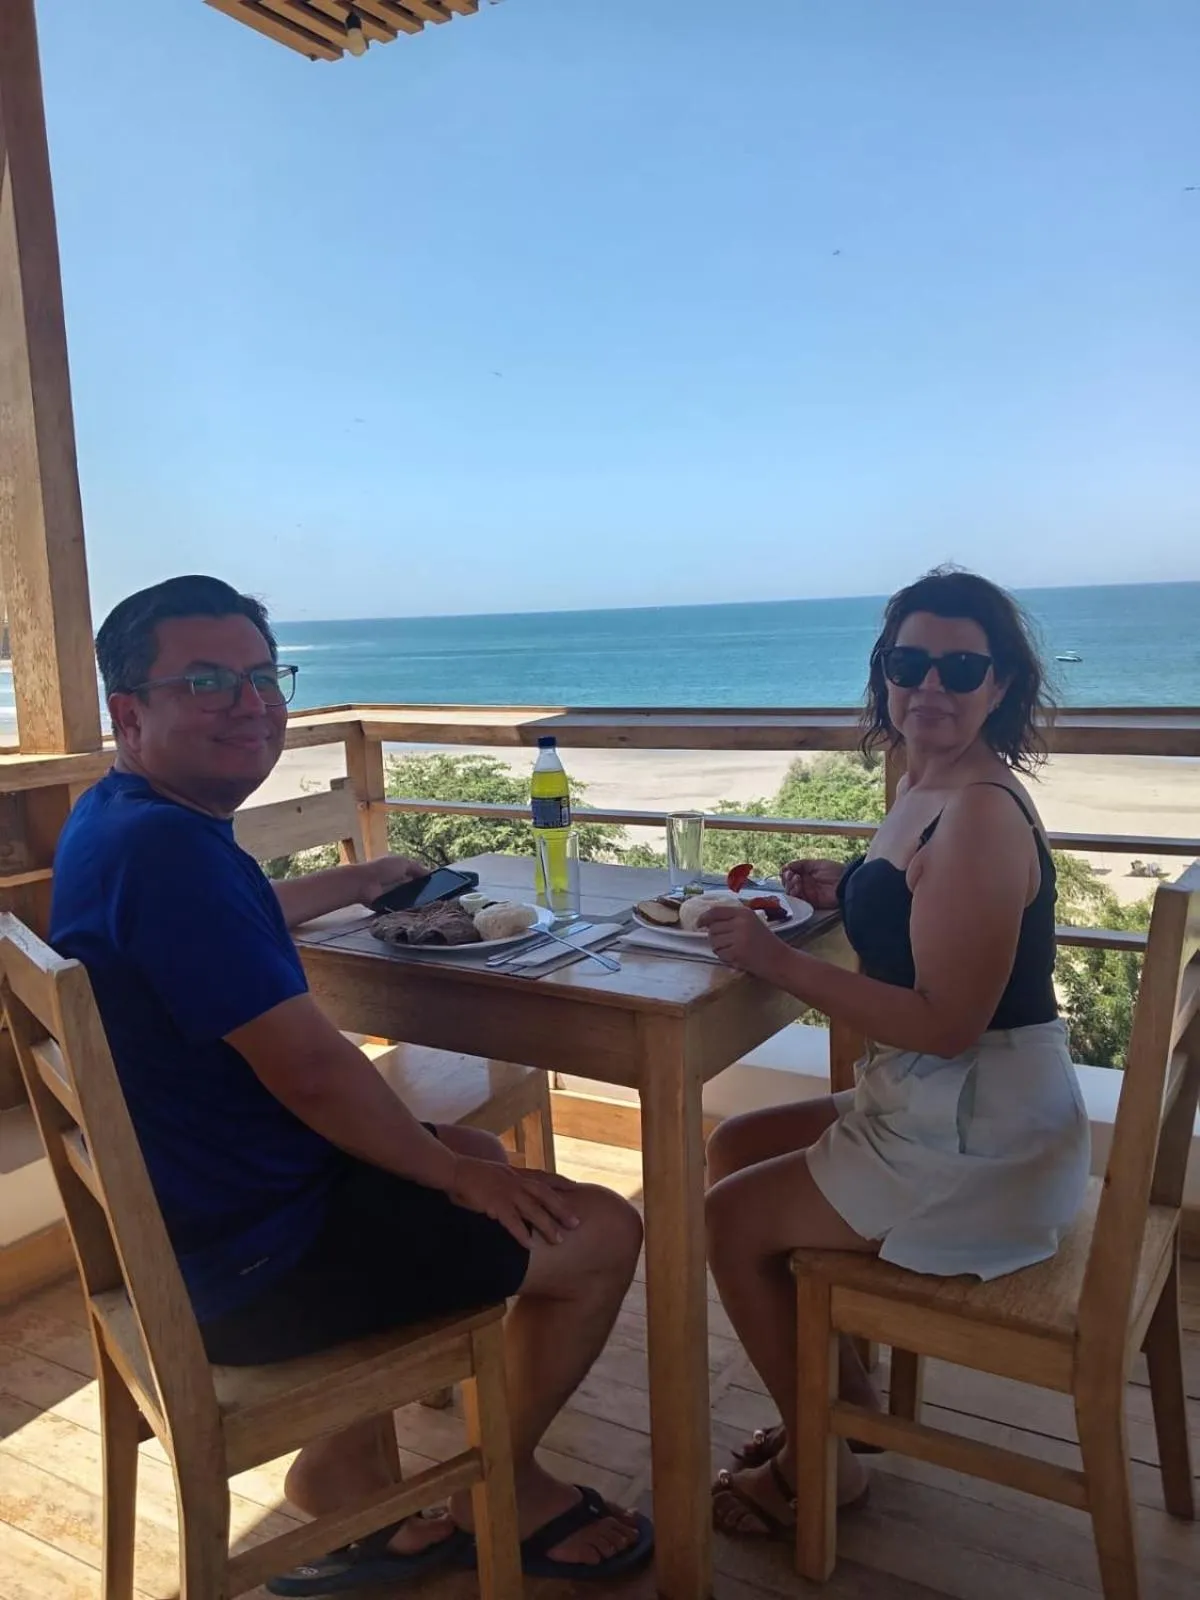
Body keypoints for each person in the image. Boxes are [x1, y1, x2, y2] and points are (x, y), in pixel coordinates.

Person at [50, 575, 652, 1592]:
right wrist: (451, 1181)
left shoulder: (126, 821)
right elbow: (315, 1071)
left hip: (207, 1213)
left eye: (259, 676)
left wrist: (353, 880)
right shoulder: (170, 854)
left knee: (474, 1152)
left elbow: (228, 922)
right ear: (128, 710)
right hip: (247, 1269)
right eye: (207, 681)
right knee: (597, 1230)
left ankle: (345, 1474)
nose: (250, 703)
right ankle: (502, 1484)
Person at [699, 567, 1090, 1540]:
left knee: (728, 1219)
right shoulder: (928, 782)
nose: (933, 687)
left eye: (963, 667)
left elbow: (946, 1021)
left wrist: (778, 960)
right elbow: (924, 909)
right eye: (909, 662)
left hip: (979, 1133)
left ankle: (820, 1461)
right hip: (943, 1100)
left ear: (1002, 684)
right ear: (884, 675)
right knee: (735, 1144)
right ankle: (845, 1408)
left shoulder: (983, 814)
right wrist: (855, 883)